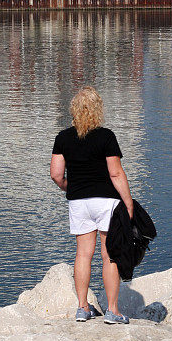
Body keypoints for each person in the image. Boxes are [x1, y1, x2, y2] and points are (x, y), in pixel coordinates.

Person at [50, 86, 134, 324]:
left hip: (79, 202)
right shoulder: (106, 136)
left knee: (83, 255)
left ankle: (82, 308)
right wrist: (128, 203)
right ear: (98, 110)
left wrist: (72, 188)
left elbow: (56, 174)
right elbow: (116, 174)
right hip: (106, 201)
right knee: (109, 256)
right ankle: (113, 311)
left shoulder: (63, 138)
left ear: (74, 111)